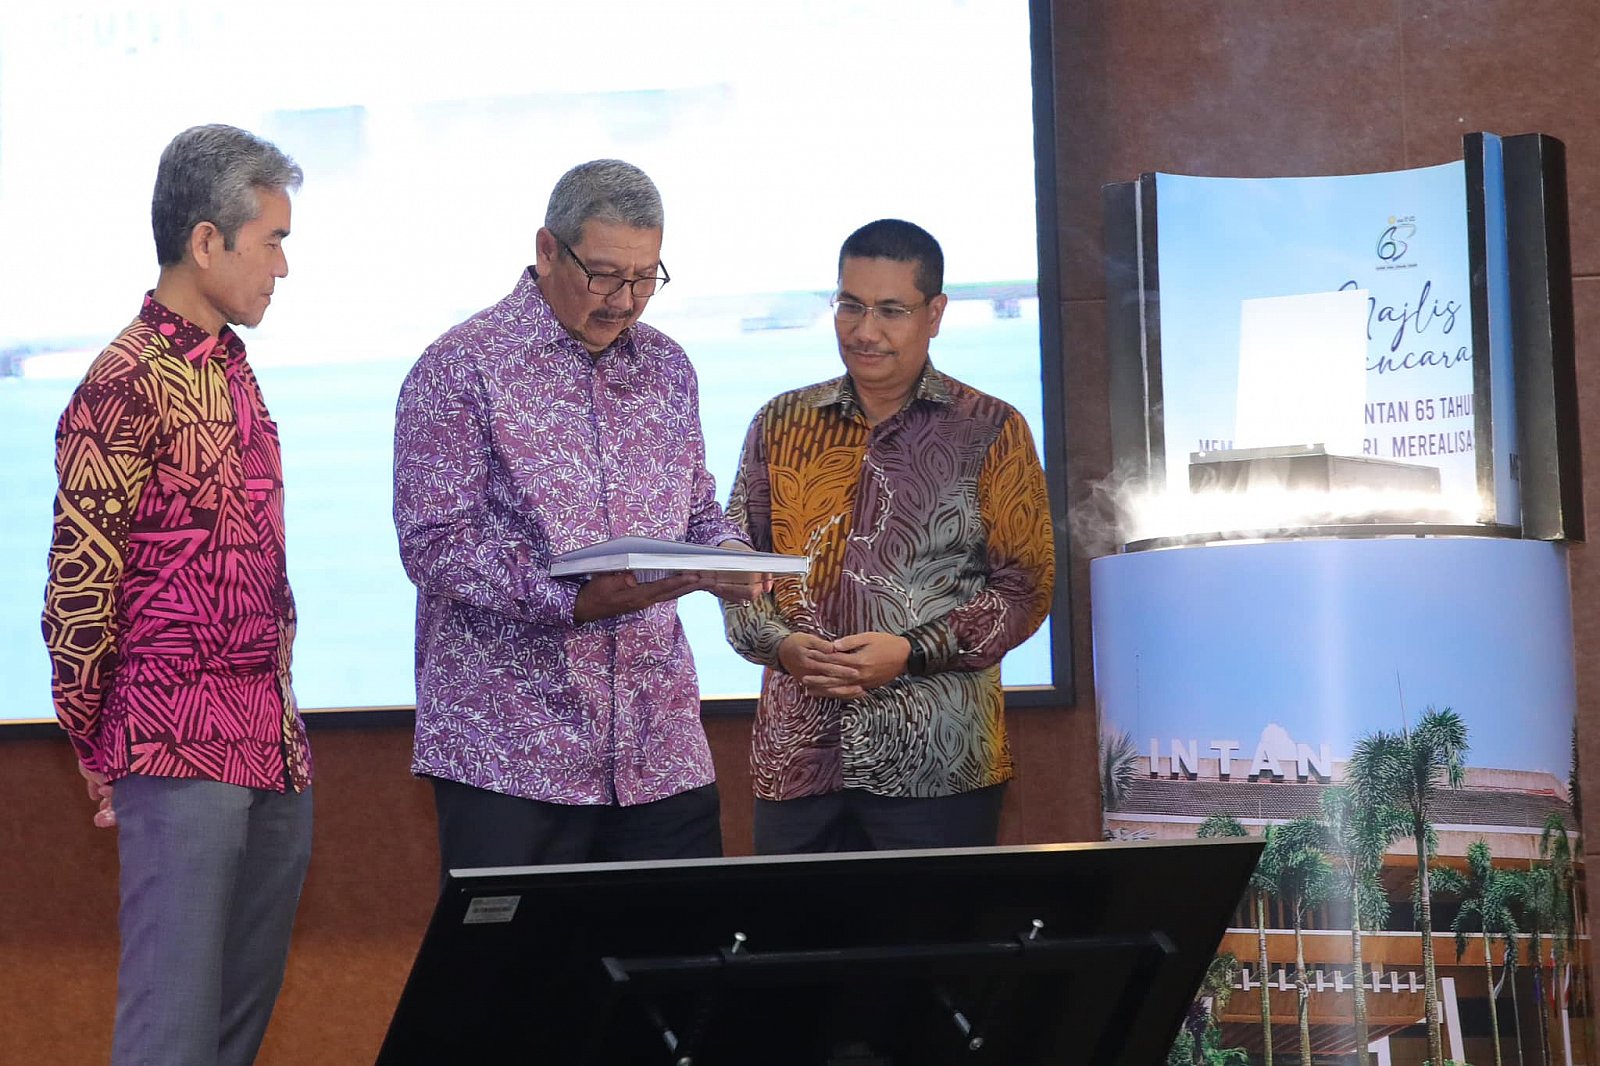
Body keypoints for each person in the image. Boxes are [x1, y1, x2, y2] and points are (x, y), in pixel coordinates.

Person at [393, 159, 758, 882]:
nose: (625, 301)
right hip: (510, 750)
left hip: (659, 748)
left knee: (681, 950)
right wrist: (572, 600)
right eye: (605, 276)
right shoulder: (460, 367)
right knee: (522, 959)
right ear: (546, 250)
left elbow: (695, 508)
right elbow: (435, 543)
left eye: (646, 278)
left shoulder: (668, 368)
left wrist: (727, 554)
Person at [41, 124, 313, 1066]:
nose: (282, 267)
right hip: (172, 745)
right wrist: (99, 743)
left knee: (235, 1030)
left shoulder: (232, 368)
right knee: (172, 1031)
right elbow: (78, 591)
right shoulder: (122, 382)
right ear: (207, 241)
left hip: (271, 739)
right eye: (272, 242)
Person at [724, 218, 1056, 854]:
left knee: (933, 925)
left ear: (935, 314)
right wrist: (783, 646)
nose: (864, 330)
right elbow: (736, 567)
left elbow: (1024, 592)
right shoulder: (779, 423)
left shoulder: (991, 428)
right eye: (850, 305)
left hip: (938, 762)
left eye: (890, 310)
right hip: (798, 761)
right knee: (789, 925)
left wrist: (910, 652)